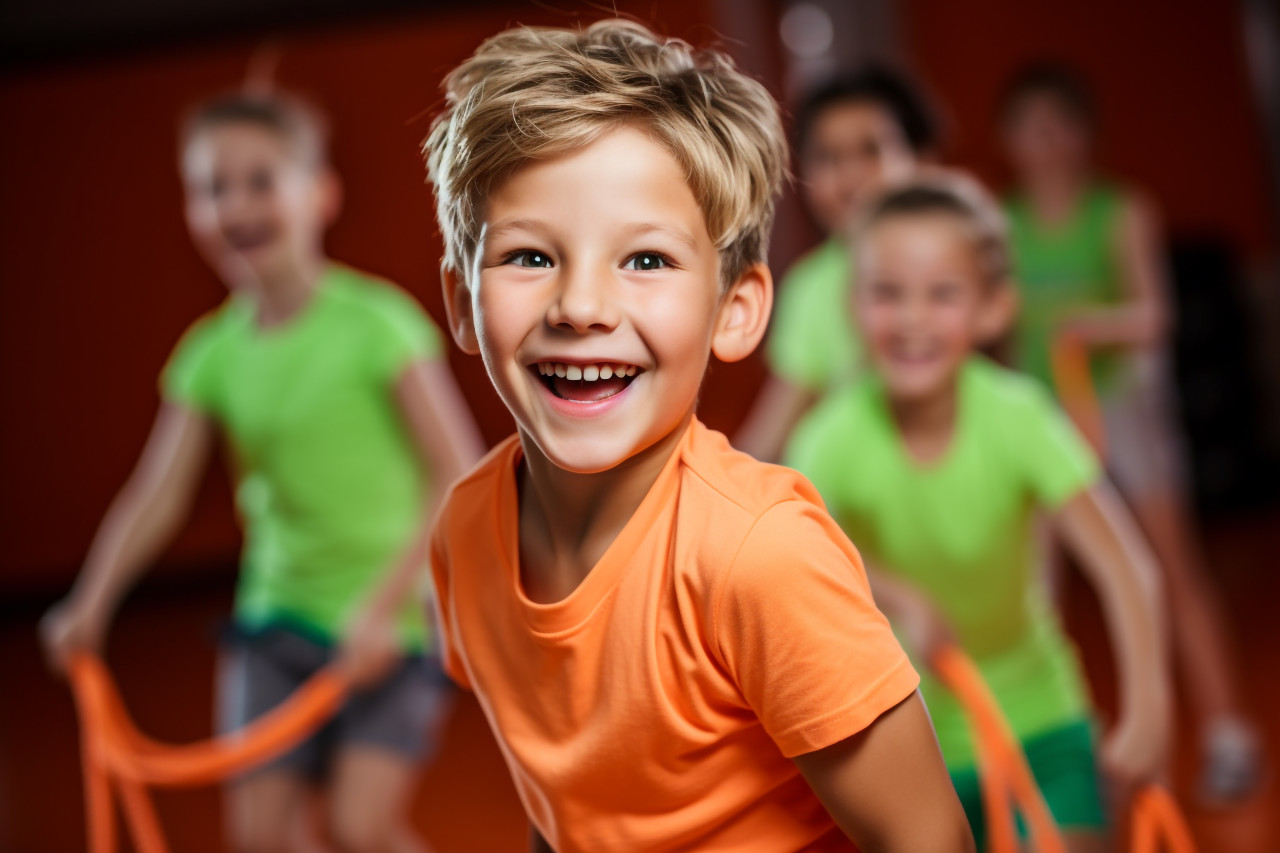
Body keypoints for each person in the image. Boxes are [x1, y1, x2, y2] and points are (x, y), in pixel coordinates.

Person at [422, 20, 973, 853]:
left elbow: (928, 839)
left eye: (644, 260)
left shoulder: (760, 558)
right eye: (530, 257)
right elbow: (566, 807)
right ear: (463, 303)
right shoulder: (464, 535)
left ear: (735, 309)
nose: (580, 307)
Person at [40, 90, 485, 853]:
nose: (235, 203)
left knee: (359, 825)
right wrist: (92, 600)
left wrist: (386, 606)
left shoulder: (378, 324)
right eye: (213, 186)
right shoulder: (208, 354)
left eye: (259, 180)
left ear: (321, 193)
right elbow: (156, 493)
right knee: (262, 836)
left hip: (396, 624)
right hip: (275, 621)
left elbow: (459, 471)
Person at [785, 176, 1172, 852]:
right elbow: (799, 564)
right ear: (853, 306)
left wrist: (1148, 707)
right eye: (887, 293)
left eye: (942, 293)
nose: (912, 318)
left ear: (994, 308)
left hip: (1042, 717)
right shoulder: (827, 439)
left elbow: (1124, 567)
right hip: (903, 743)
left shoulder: (1019, 415)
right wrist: (895, 591)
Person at [1000, 62, 1261, 803]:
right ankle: (1053, 757)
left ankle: (1229, 735)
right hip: (1042, 418)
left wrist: (1093, 325)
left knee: (1170, 569)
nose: (1044, 143)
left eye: (1059, 126)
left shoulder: (1120, 211)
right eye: (1029, 128)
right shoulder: (1002, 221)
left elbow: (1155, 316)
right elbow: (998, 327)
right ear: (1008, 139)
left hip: (1124, 406)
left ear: (1085, 136)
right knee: (1036, 592)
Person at [735, 66, 938, 461]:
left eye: (871, 150)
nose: (850, 174)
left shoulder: (952, 262)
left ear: (921, 160)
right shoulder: (809, 286)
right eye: (828, 157)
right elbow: (777, 425)